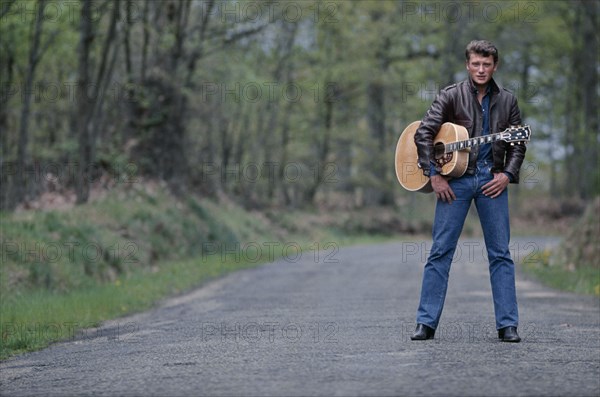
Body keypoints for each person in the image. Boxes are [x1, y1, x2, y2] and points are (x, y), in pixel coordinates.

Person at [410, 40, 526, 342]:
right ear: (467, 64)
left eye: (486, 64)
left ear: (495, 66)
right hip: (455, 182)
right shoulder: (451, 96)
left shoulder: (508, 101)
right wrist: (434, 175)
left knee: (500, 254)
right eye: (476, 63)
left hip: (492, 181)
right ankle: (426, 323)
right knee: (440, 252)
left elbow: (518, 145)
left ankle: (508, 325)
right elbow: (424, 133)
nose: (481, 69)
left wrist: (508, 174)